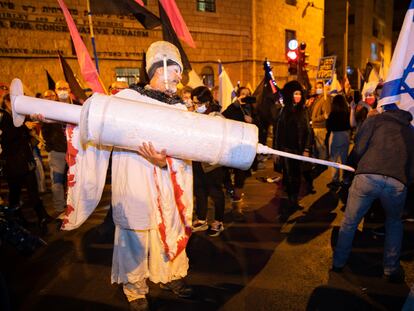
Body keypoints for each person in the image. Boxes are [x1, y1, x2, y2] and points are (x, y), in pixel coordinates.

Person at [111, 41, 193, 310]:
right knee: (136, 234)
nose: (180, 78)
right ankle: (135, 289)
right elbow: (103, 132)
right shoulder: (127, 101)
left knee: (168, 228)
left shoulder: (180, 108)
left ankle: (171, 275)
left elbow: (187, 148)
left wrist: (164, 162)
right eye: (177, 71)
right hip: (136, 179)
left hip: (166, 182)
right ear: (161, 68)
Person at [332, 103, 414, 283]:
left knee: (350, 221)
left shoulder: (374, 121)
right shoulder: (410, 131)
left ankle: (338, 262)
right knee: (394, 223)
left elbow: (359, 148)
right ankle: (390, 268)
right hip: (396, 181)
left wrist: (348, 173)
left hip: (367, 176)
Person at [0, 94, 51, 231]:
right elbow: (6, 139)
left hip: (25, 162)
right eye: (12, 101)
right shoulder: (3, 117)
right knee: (15, 194)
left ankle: (42, 216)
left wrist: (30, 131)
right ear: (6, 102)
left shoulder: (18, 116)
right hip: (13, 164)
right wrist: (23, 127)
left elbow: (23, 139)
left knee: (32, 190)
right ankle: (17, 221)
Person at [190, 86, 225, 237]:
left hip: (212, 164)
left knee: (215, 193)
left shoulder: (217, 116)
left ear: (207, 102)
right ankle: (201, 219)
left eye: (198, 103)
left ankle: (218, 221)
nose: (195, 106)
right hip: (197, 161)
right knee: (200, 191)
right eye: (194, 103)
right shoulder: (193, 115)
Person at [273, 80, 311, 209]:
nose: (298, 96)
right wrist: (276, 152)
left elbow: (308, 131)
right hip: (286, 150)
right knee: (289, 176)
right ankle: (291, 199)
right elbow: (278, 132)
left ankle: (294, 197)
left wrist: (306, 148)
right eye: (295, 93)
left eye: (300, 94)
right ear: (290, 95)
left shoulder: (304, 111)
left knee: (298, 176)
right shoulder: (283, 112)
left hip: (299, 150)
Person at [38, 86, 69, 215]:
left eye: (51, 95)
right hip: (57, 153)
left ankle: (71, 206)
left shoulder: (62, 109)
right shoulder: (44, 112)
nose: (49, 98)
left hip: (71, 153)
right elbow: (44, 133)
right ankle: (59, 208)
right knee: (57, 182)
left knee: (72, 181)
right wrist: (51, 148)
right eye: (47, 96)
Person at [222, 86, 253, 204]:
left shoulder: (252, 108)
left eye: (247, 94)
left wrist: (252, 121)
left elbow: (260, 125)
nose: (245, 96)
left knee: (241, 172)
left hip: (245, 145)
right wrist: (235, 105)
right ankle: (229, 187)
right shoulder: (233, 107)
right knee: (224, 168)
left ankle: (237, 195)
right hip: (232, 143)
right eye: (242, 94)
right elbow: (223, 117)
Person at [326, 95, 351, 190]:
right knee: (344, 158)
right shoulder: (347, 112)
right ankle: (345, 179)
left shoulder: (333, 114)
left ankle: (335, 180)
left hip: (335, 136)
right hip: (345, 136)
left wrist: (327, 118)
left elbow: (329, 127)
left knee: (334, 160)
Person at [310, 81, 330, 162]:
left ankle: (323, 163)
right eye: (317, 87)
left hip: (320, 127)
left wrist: (314, 120)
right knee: (316, 147)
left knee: (321, 147)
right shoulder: (317, 99)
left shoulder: (325, 99)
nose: (318, 89)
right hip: (315, 127)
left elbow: (326, 115)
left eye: (320, 87)